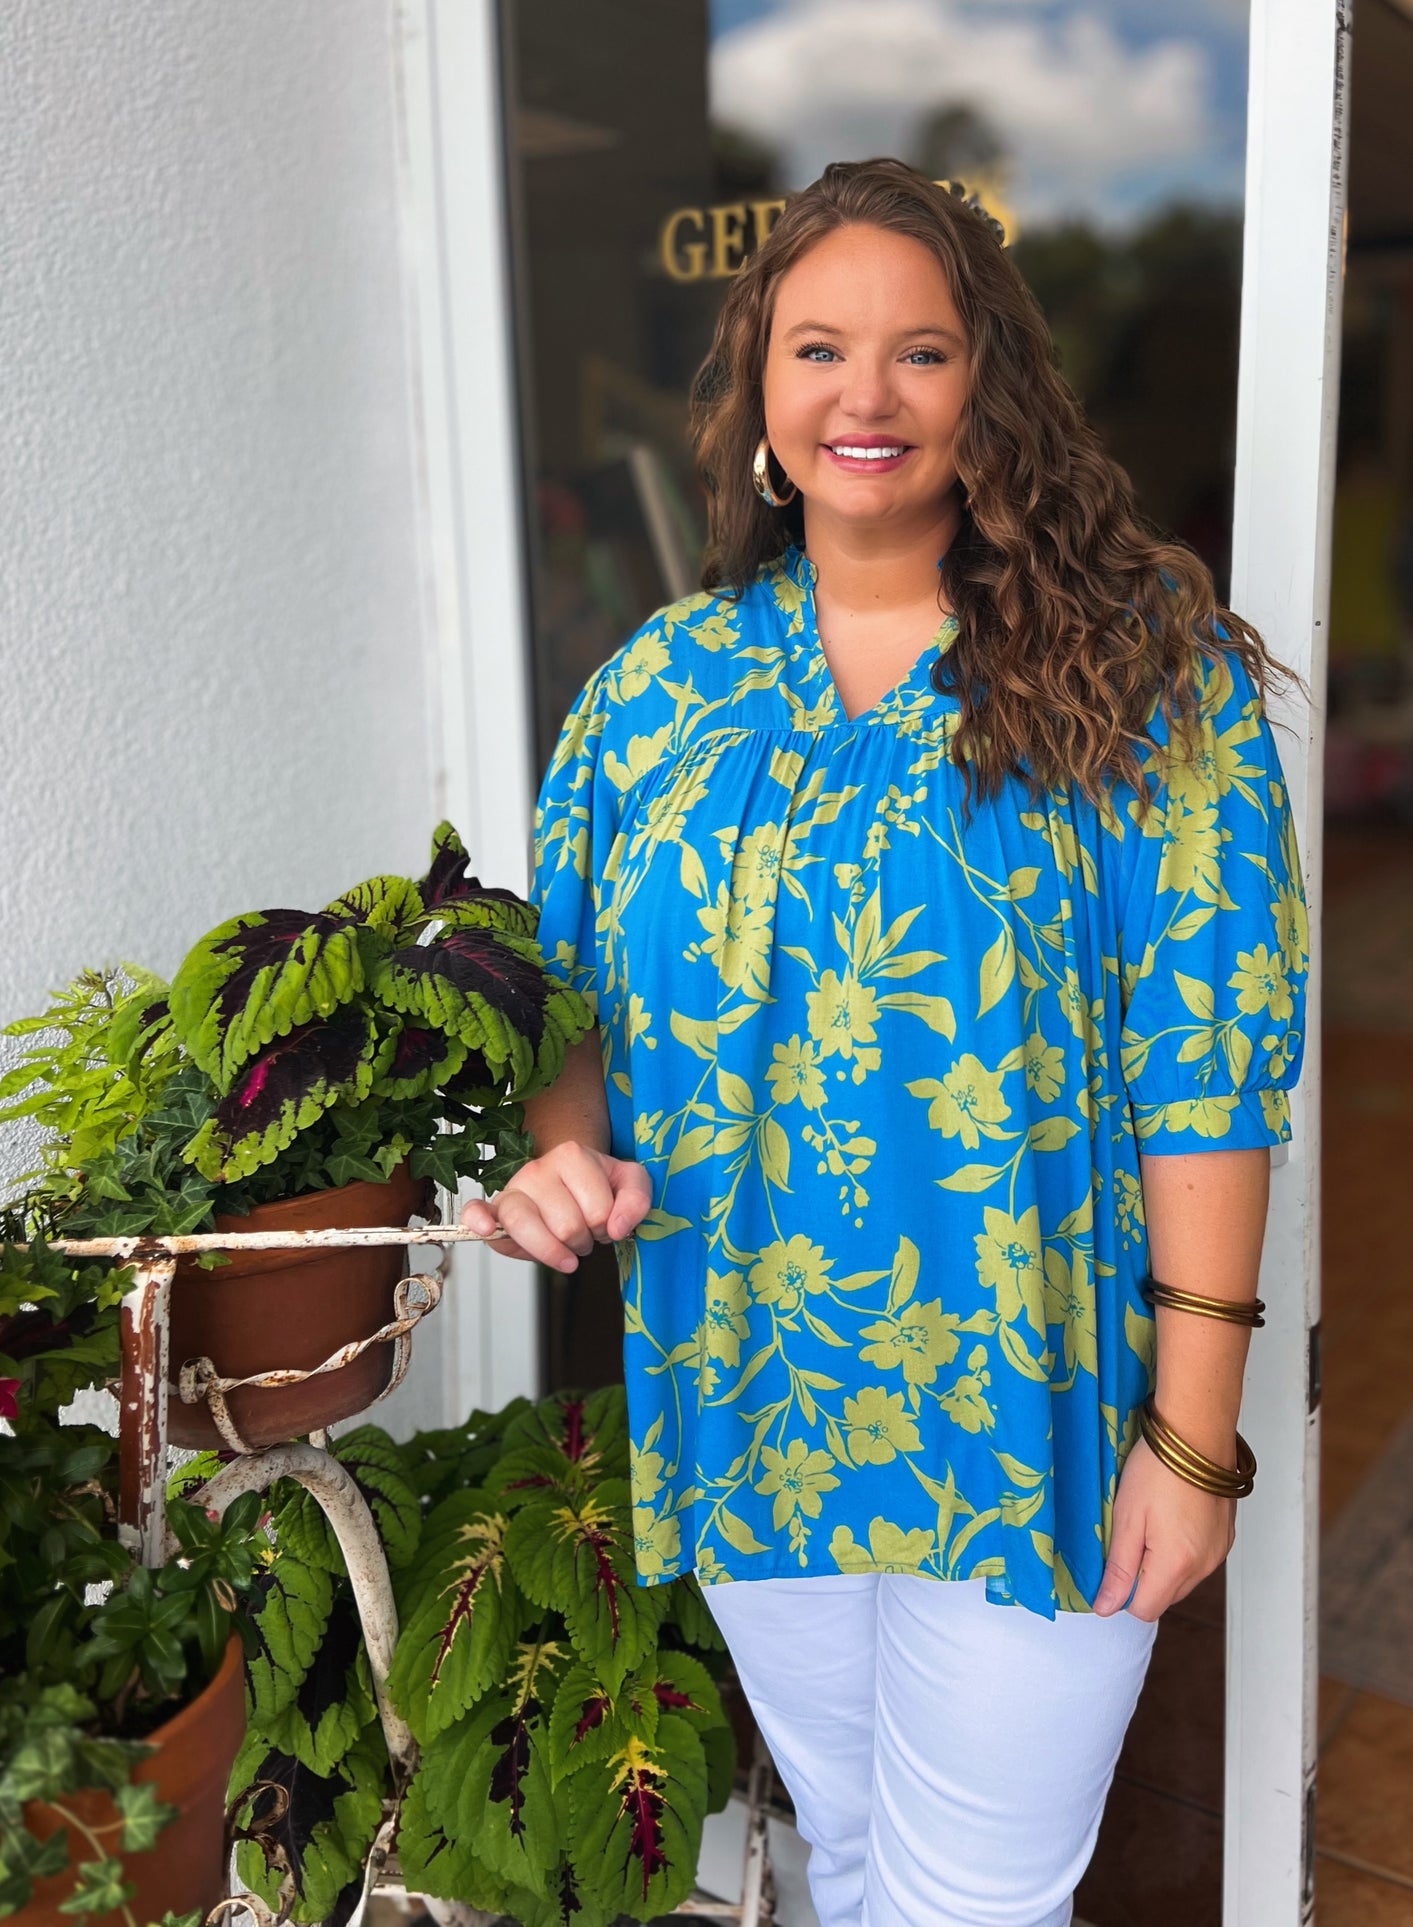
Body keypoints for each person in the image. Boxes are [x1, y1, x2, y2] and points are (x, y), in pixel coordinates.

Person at [460, 159, 1307, 1927]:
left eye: (919, 354)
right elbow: (571, 1004)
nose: (865, 398)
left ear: (987, 385)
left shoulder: (1143, 665)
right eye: (818, 349)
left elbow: (1212, 1058)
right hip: (746, 1391)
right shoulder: (652, 692)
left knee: (978, 1897)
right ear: (757, 393)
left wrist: (1194, 1429)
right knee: (850, 1859)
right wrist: (559, 1141)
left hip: (1036, 1409)